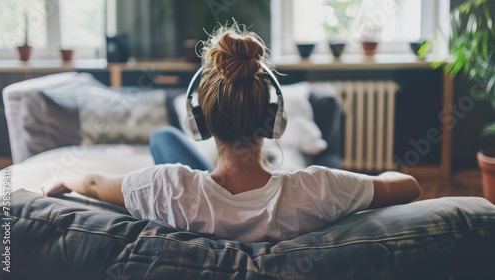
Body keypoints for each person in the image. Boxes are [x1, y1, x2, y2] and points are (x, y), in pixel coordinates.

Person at [42, 24, 421, 243]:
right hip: (267, 178)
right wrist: (367, 183)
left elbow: (91, 183)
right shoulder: (319, 189)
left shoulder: (165, 187)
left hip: (198, 184)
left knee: (162, 138)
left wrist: (63, 176)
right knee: (162, 139)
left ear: (200, 121)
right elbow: (407, 187)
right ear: (275, 122)